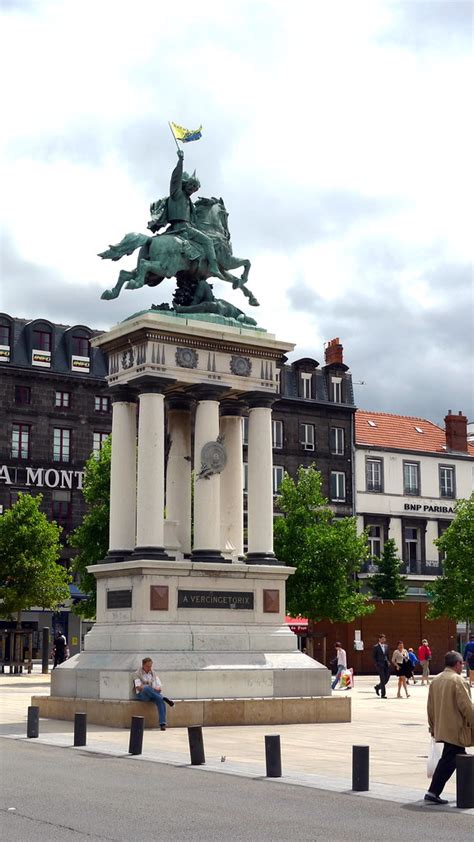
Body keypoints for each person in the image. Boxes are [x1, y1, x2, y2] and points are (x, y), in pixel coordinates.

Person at [425, 650, 474, 804]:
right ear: (458, 664)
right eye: (462, 663)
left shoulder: (436, 680)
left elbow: (430, 707)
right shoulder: (457, 680)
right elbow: (467, 706)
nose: (463, 666)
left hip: (442, 727)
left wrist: (432, 727)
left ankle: (433, 792)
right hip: (456, 728)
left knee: (453, 759)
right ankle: (433, 792)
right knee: (453, 760)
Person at [166, 149, 224, 280]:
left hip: (183, 228)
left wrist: (213, 201)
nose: (192, 190)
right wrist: (180, 161)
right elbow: (175, 178)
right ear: (185, 184)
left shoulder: (189, 201)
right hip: (183, 228)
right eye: (191, 186)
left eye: (194, 189)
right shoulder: (177, 193)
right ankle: (214, 267)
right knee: (208, 241)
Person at [133, 657, 174, 730]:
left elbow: (158, 685)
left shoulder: (153, 673)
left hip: (153, 694)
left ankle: (162, 723)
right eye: (148, 666)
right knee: (146, 688)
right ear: (143, 665)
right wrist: (151, 687)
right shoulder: (137, 674)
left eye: (150, 666)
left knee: (160, 700)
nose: (149, 668)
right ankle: (162, 697)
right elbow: (138, 687)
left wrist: (158, 688)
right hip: (143, 695)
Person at [373, 633, 390, 699]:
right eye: (382, 639)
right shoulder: (376, 647)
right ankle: (383, 694)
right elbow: (374, 657)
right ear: (379, 639)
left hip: (386, 664)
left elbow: (387, 655)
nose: (383, 640)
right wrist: (376, 664)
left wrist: (388, 662)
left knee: (387, 678)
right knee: (382, 679)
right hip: (380, 665)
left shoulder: (386, 646)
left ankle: (377, 687)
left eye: (384, 639)